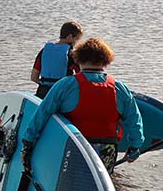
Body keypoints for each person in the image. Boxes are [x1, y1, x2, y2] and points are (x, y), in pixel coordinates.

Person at [21, 37, 142, 173]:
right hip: (106, 149)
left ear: (78, 59)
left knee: (72, 184)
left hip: (74, 146)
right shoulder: (119, 88)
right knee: (99, 187)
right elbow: (134, 120)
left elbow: (42, 113)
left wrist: (28, 142)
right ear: (106, 60)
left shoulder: (65, 85)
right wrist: (135, 146)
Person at [30, 20, 83, 98]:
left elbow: (34, 78)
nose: (77, 42)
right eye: (77, 39)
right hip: (62, 93)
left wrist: (45, 83)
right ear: (70, 37)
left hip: (43, 92)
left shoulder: (44, 51)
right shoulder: (71, 54)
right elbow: (81, 78)